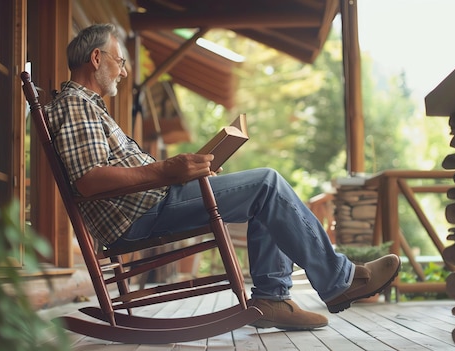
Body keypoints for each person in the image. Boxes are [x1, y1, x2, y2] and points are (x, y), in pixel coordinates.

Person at [44, 23, 401, 331]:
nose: (123, 71)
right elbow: (90, 180)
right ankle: (340, 281)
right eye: (120, 61)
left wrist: (187, 172)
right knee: (266, 184)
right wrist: (168, 170)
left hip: (153, 202)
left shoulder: (88, 106)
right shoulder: (78, 104)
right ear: (96, 59)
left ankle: (273, 299)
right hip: (140, 215)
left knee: (262, 192)